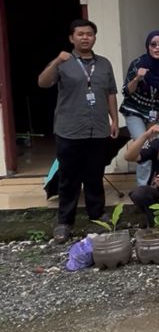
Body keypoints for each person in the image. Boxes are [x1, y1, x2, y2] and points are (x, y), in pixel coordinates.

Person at [38, 19, 119, 244]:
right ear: (71, 38)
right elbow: (43, 83)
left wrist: (114, 120)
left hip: (98, 129)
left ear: (95, 37)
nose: (85, 37)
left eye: (90, 34)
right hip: (69, 130)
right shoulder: (64, 62)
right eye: (80, 34)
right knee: (69, 178)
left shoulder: (104, 64)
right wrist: (56, 61)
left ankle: (97, 214)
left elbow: (110, 93)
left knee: (95, 174)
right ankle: (65, 222)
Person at [120, 30, 159, 187]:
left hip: (156, 113)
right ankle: (143, 190)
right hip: (135, 111)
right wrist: (137, 78)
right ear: (147, 46)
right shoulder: (138, 64)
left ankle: (156, 187)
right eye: (153, 44)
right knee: (144, 148)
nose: (157, 48)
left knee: (156, 150)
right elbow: (126, 91)